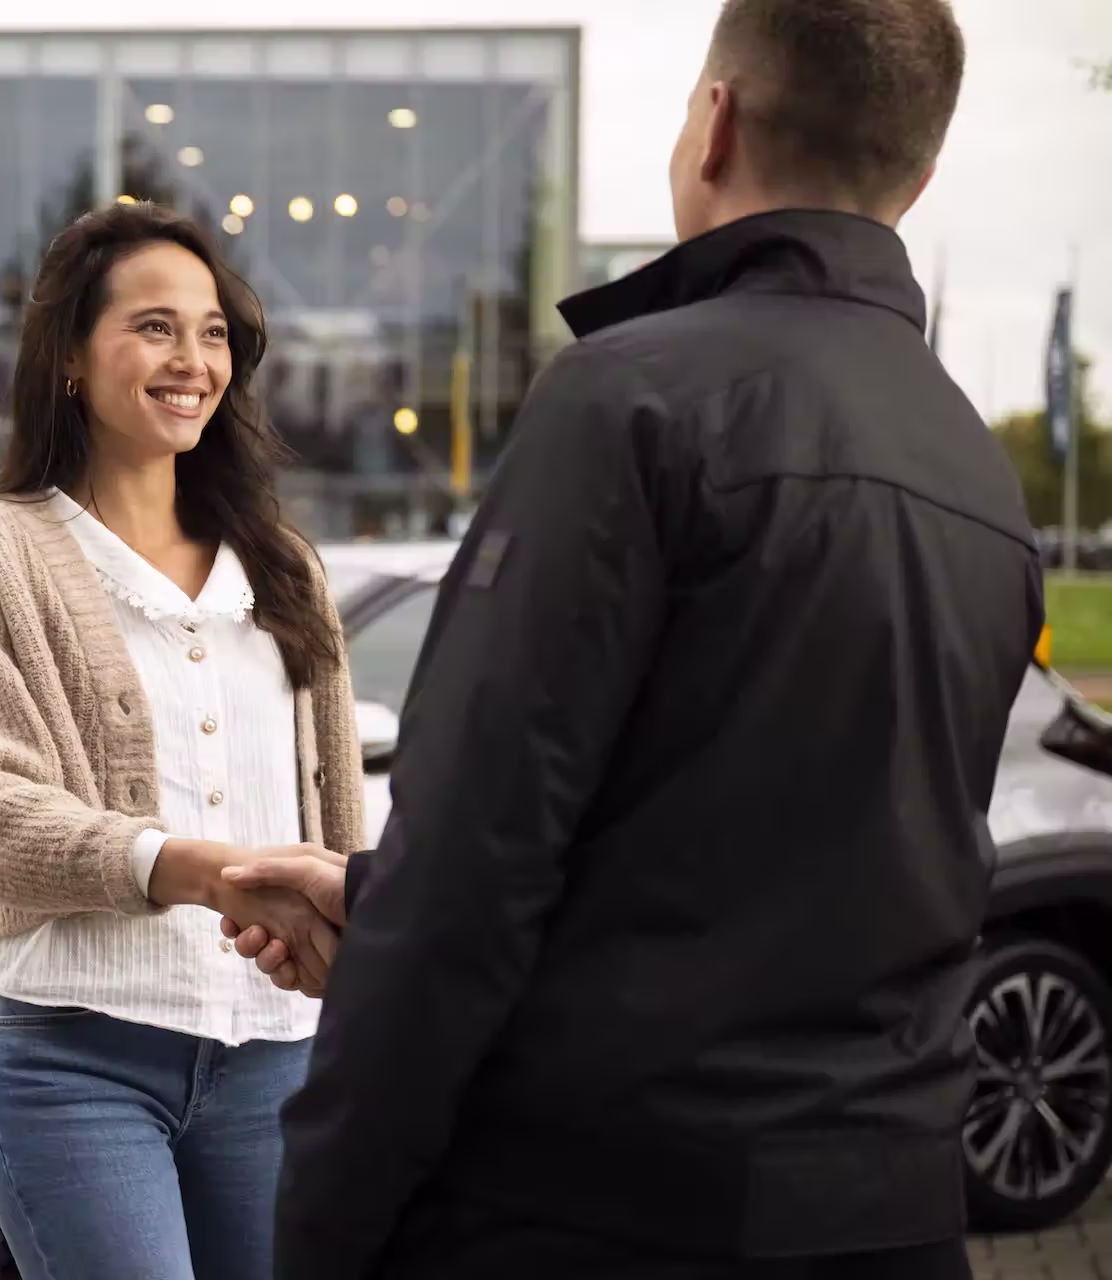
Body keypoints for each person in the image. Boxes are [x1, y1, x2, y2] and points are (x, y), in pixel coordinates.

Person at [220, 1, 1044, 1276]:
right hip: (889, 1212)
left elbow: (477, 858)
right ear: (919, 175)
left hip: (601, 1211)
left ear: (713, 124)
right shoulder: (978, 470)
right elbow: (787, 849)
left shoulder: (633, 399)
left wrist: (323, 1218)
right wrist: (366, 902)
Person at [0, 201, 366, 1279]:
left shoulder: (285, 566)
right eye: (154, 326)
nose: (191, 359)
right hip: (75, 1052)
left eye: (212, 333)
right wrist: (210, 875)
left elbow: (336, 818)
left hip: (275, 1055)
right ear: (70, 353)